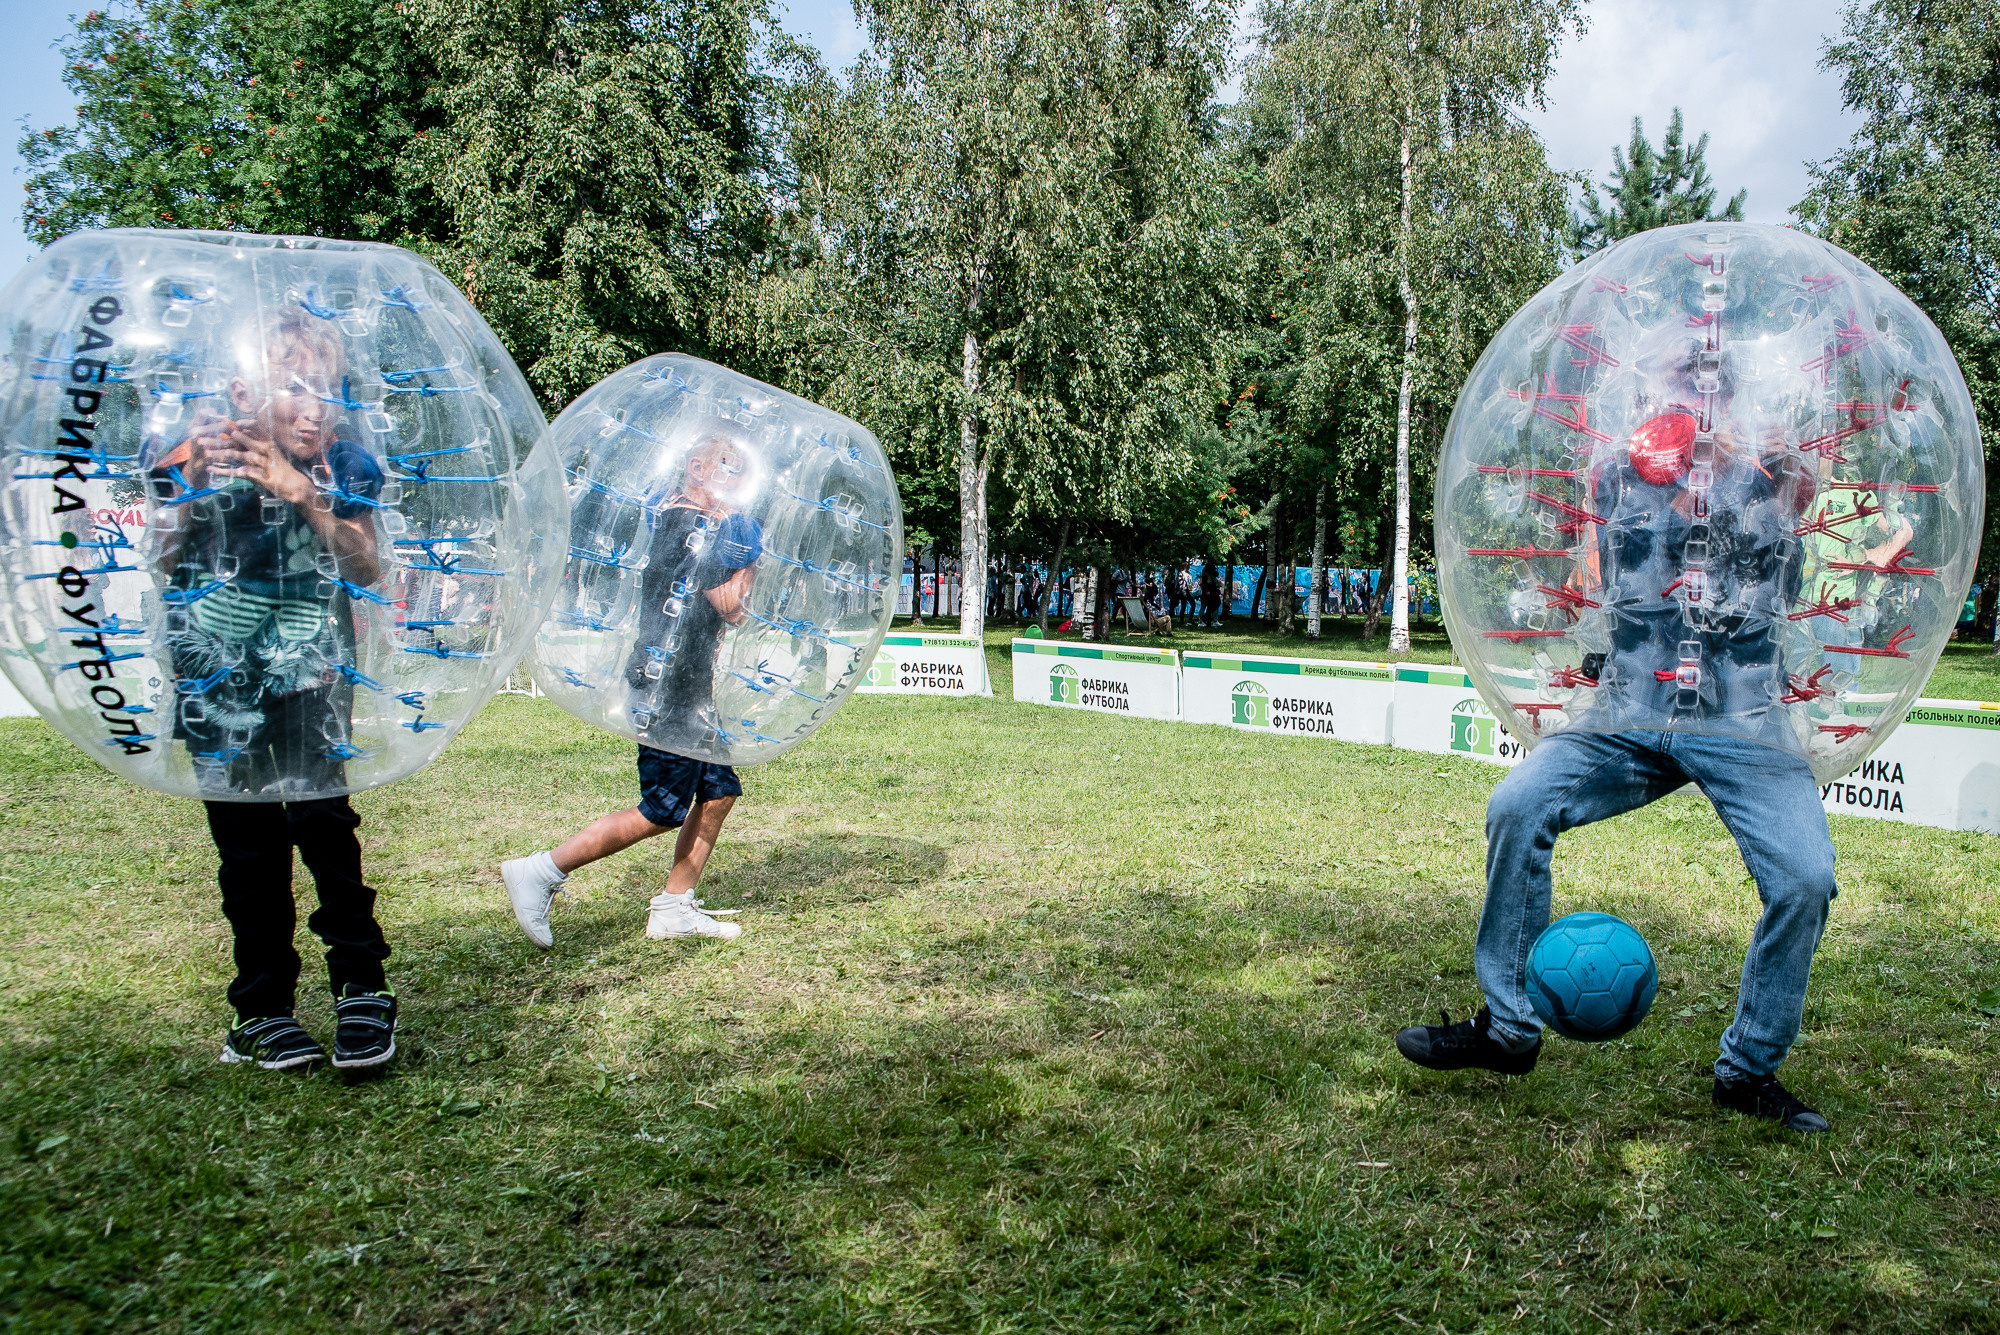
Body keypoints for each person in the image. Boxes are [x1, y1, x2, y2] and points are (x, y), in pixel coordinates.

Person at [1395, 341, 1841, 1134]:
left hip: (1741, 718)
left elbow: (1787, 588)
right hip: (1627, 710)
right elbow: (1603, 580)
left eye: (1711, 385)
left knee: (1805, 879)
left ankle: (1748, 1069)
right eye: (1680, 377)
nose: (1693, 395)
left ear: (1731, 398)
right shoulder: (1614, 475)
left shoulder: (1770, 475)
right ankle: (1507, 1029)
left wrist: (1776, 487)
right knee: (1517, 806)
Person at [147, 309, 397, 1072]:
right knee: (249, 845)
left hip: (315, 673)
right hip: (220, 681)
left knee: (326, 824)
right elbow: (157, 555)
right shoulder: (196, 452)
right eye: (294, 387)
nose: (315, 406)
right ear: (242, 389)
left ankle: (361, 985)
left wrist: (302, 494)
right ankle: (259, 1010)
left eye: (326, 387)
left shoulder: (345, 466)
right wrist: (196, 484)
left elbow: (367, 566)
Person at [501, 436, 759, 948]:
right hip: (667, 683)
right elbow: (730, 605)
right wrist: (750, 556)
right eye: (727, 468)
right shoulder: (694, 528)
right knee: (663, 806)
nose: (736, 482)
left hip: (682, 679)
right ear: (695, 467)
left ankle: (673, 908)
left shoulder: (682, 519)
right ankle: (541, 871)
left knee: (718, 791)